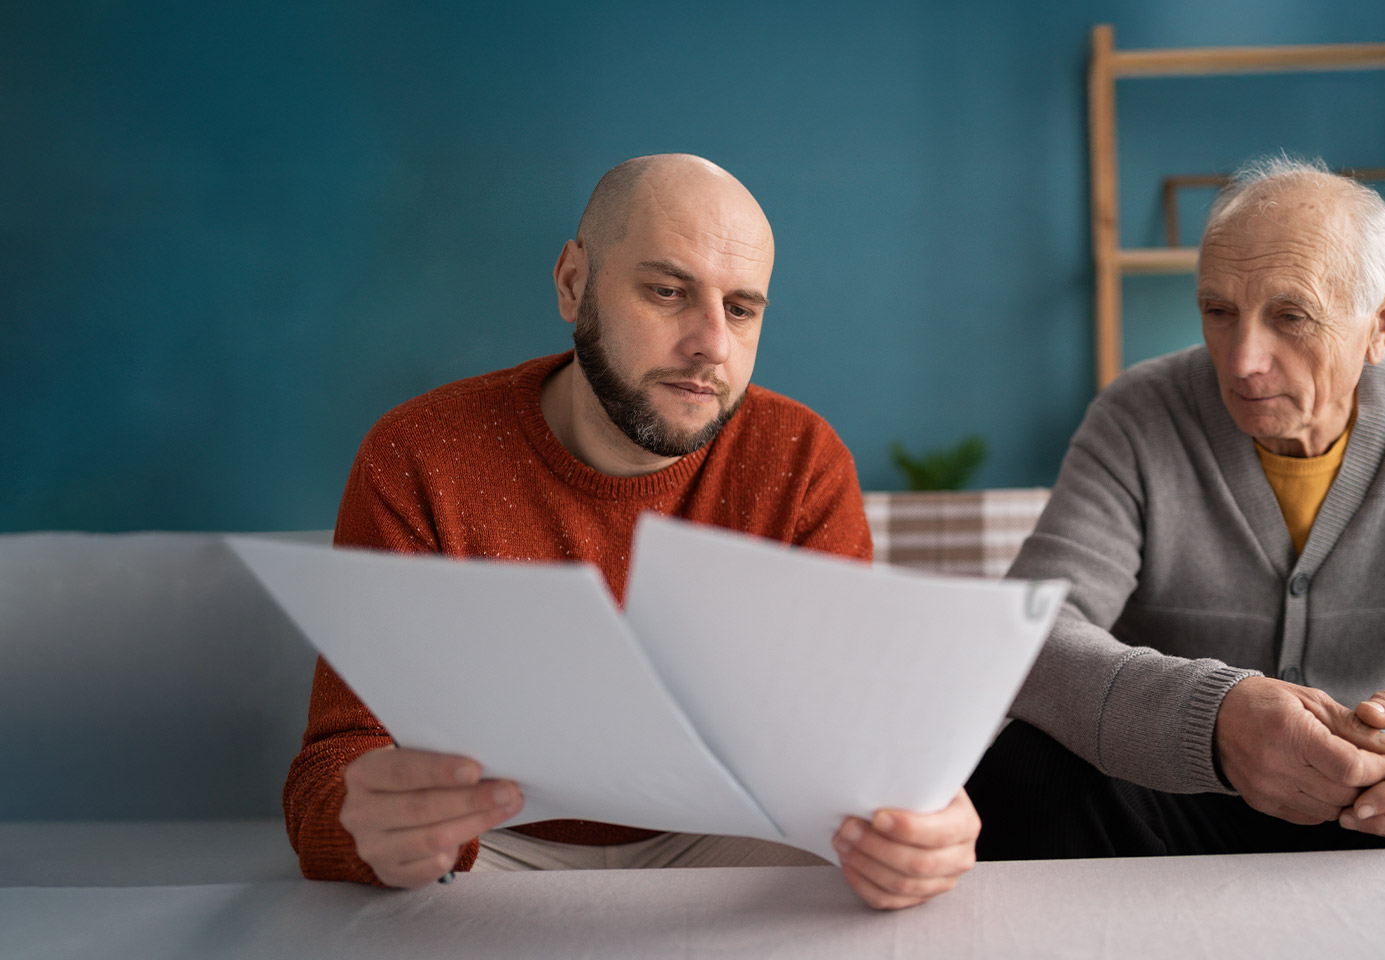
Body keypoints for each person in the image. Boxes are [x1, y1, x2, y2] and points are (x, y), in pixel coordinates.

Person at [284, 154, 979, 909]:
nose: (712, 344)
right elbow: (338, 761)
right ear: (572, 283)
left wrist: (916, 825)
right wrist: (365, 825)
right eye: (668, 292)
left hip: (733, 836)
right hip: (489, 842)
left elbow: (852, 739)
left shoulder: (801, 459)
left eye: (741, 309)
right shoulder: (418, 454)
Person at [969, 155, 1385, 857]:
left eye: (1290, 316)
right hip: (1179, 785)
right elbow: (1027, 633)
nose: (1243, 360)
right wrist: (1212, 717)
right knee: (1024, 771)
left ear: (1382, 320)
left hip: (1378, 789)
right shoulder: (1138, 413)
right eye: (1219, 312)